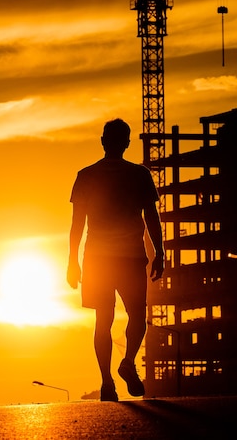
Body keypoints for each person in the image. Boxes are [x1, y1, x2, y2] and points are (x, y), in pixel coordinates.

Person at [67, 118, 164, 402]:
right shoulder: (139, 174)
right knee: (137, 315)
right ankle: (128, 362)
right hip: (131, 257)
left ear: (102, 141)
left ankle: (107, 381)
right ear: (126, 143)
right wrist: (159, 252)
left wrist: (73, 261)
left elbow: (77, 224)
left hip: (97, 258)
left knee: (103, 319)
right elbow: (152, 217)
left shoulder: (86, 175)